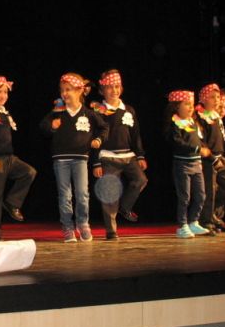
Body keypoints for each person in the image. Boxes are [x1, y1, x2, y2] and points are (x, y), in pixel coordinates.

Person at [40, 73, 108, 242]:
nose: (64, 93)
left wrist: (98, 140)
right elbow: (43, 126)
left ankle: (83, 224)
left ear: (79, 91)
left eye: (68, 89)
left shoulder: (88, 113)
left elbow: (104, 127)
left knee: (82, 193)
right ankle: (67, 227)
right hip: (60, 159)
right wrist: (51, 126)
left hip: (80, 159)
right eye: (62, 90)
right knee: (65, 195)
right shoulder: (58, 112)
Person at [90, 68, 147, 240]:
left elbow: (136, 134)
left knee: (141, 180)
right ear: (102, 90)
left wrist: (140, 155)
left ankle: (125, 207)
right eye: (109, 87)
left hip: (128, 155)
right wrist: (96, 162)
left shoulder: (128, 109)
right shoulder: (98, 111)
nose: (114, 90)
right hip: (108, 157)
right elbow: (94, 137)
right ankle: (111, 230)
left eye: (117, 86)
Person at [0, 75, 37, 241]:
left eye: (5, 92)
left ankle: (12, 202)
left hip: (9, 157)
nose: (2, 95)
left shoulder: (5, 113)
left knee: (29, 172)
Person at [164, 90, 211, 239]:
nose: (191, 107)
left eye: (192, 104)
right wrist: (197, 149)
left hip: (197, 164)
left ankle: (193, 222)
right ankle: (182, 225)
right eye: (187, 104)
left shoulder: (193, 122)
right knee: (184, 197)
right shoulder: (175, 123)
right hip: (182, 164)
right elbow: (177, 142)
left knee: (201, 195)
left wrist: (204, 148)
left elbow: (199, 140)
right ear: (177, 106)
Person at [196, 83, 225, 232]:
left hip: (220, 157)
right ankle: (206, 220)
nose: (216, 100)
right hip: (209, 159)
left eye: (218, 97)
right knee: (209, 190)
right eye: (212, 97)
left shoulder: (216, 116)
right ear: (203, 99)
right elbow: (201, 140)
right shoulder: (200, 116)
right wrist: (212, 158)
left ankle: (211, 213)